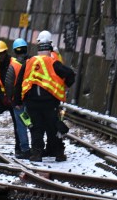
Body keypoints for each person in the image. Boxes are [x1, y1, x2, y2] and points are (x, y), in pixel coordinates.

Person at [15, 30, 75, 162]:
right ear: (50, 46)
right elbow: (70, 74)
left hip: (32, 103)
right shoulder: (53, 62)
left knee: (36, 128)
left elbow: (19, 82)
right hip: (50, 103)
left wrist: (18, 100)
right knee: (53, 127)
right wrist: (65, 85)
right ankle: (58, 153)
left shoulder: (29, 62)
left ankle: (36, 153)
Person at [0, 40, 26, 154]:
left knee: (17, 120)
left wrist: (14, 98)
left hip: (15, 98)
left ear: (6, 52)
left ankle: (19, 146)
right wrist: (2, 98)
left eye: (1, 53)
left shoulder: (16, 63)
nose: (0, 56)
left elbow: (20, 82)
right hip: (3, 99)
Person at [9, 38, 32, 155]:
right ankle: (37, 148)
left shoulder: (12, 66)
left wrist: (13, 102)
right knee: (33, 125)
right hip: (31, 100)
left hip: (19, 102)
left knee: (21, 126)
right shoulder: (33, 62)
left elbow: (9, 86)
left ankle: (25, 149)